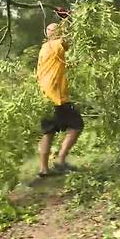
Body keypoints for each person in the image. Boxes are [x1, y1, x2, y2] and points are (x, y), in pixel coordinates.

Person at [35, 22, 84, 177]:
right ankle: (61, 161)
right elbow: (70, 39)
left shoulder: (44, 48)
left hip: (44, 95)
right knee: (77, 125)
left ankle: (43, 169)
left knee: (48, 132)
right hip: (57, 96)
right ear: (53, 33)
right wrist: (68, 19)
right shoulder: (57, 45)